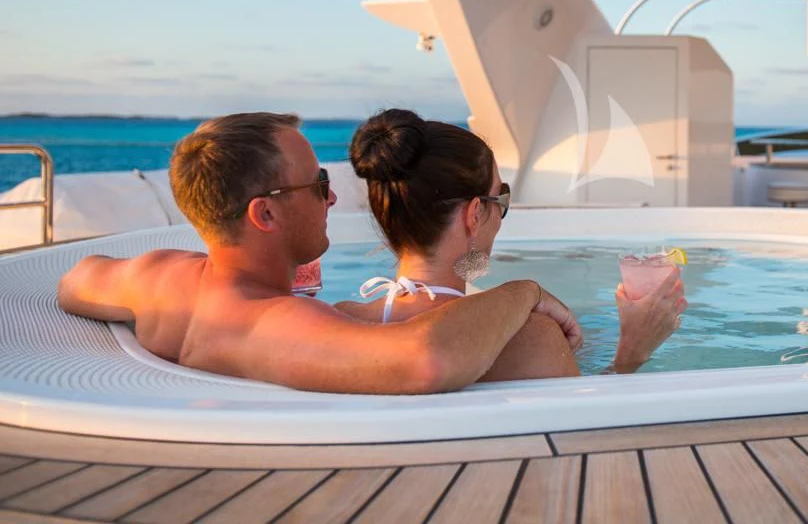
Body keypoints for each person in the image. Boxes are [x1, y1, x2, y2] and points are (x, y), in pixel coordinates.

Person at [56, 112, 582, 394]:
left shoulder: (161, 278)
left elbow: (76, 278)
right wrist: (524, 292)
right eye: (318, 183)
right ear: (265, 215)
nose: (331, 196)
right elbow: (425, 360)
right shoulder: (280, 322)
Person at [336, 108, 687, 380]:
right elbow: (583, 432)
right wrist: (632, 354)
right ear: (475, 214)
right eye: (500, 199)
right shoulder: (532, 338)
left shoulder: (339, 325)